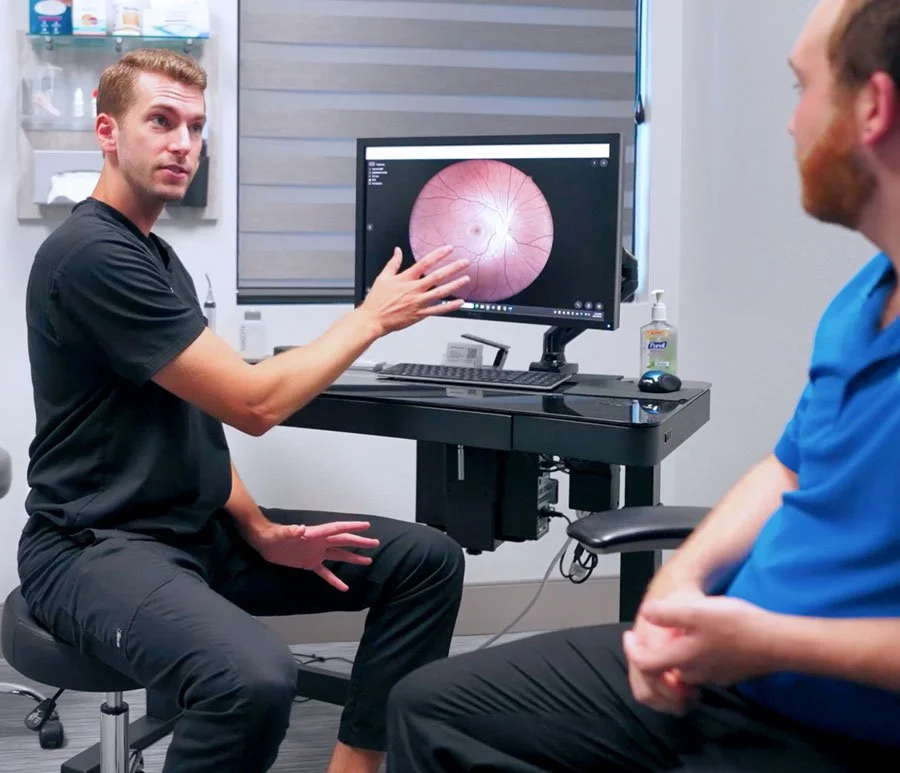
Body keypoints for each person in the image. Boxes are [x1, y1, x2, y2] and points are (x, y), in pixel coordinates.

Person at [385, 0, 900, 770]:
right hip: (732, 671)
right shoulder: (864, 295)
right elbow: (788, 465)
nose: (791, 123)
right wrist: (679, 585)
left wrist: (759, 638)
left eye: (802, 88)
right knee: (430, 709)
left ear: (874, 107)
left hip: (837, 723)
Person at [18, 48, 472, 773]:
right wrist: (371, 318)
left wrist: (260, 529)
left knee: (425, 561)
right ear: (107, 130)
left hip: (190, 532)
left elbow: (198, 424)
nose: (182, 143)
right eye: (161, 121)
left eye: (195, 127)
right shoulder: (90, 256)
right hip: (89, 549)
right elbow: (254, 403)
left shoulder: (153, 255)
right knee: (254, 677)